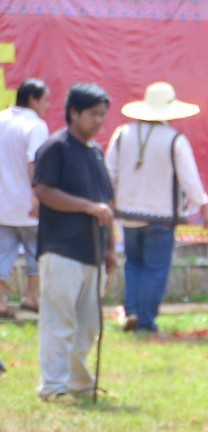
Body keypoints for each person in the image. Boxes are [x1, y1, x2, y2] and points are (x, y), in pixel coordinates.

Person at [105, 82, 208, 334]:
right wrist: (204, 208)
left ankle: (131, 310)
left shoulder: (122, 134)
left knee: (134, 263)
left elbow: (109, 173)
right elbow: (190, 179)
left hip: (127, 215)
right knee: (155, 269)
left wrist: (110, 203)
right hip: (161, 217)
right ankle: (145, 321)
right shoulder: (175, 139)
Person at [31, 83, 115, 403]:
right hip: (61, 249)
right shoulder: (56, 148)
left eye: (102, 115)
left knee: (88, 324)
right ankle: (52, 387)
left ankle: (79, 383)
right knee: (59, 321)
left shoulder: (95, 152)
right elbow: (43, 191)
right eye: (93, 114)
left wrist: (109, 250)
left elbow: (106, 200)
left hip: (93, 251)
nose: (98, 121)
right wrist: (86, 207)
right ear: (73, 113)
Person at [0, 78, 51, 319]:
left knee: (2, 254)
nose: (48, 105)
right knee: (36, 252)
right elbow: (35, 163)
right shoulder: (35, 126)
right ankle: (31, 298)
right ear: (33, 99)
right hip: (28, 205)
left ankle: (0, 302)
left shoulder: (1, 119)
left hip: (3, 204)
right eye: (46, 99)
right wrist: (37, 195)